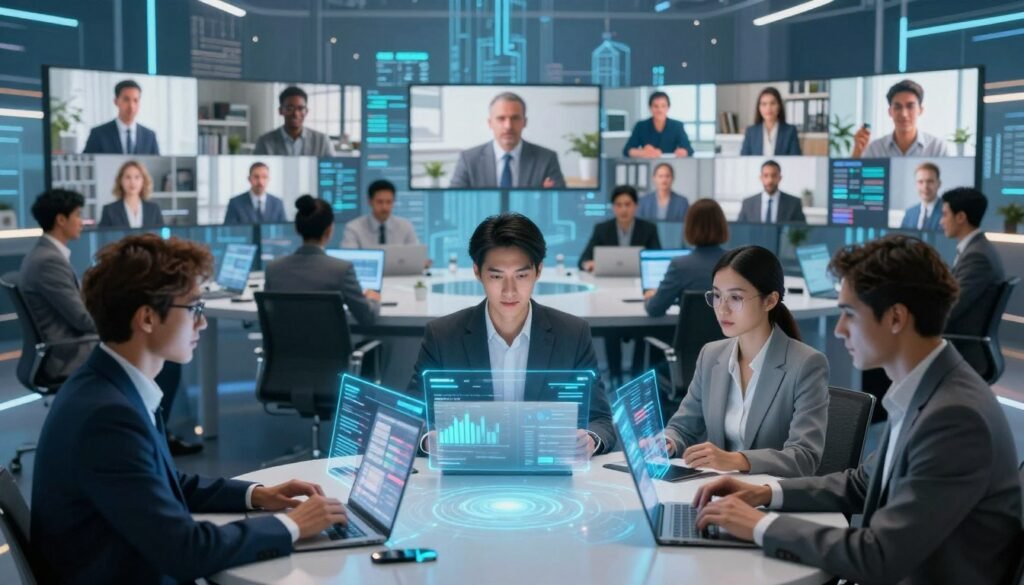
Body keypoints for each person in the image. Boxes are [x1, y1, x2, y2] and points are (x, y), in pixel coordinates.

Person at [691, 235, 1021, 585]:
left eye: (849, 313)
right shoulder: (927, 388)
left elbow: (879, 556)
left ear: (896, 317)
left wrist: (761, 525)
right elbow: (862, 484)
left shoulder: (953, 417)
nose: (839, 329)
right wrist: (765, 493)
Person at [30, 234, 350, 583]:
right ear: (147, 318)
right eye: (194, 309)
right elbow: (186, 551)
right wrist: (292, 524)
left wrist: (258, 495)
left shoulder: (109, 386)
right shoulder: (107, 416)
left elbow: (163, 483)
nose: (203, 323)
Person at [407, 213, 615, 456]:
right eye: (496, 276)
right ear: (477, 272)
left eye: (521, 275)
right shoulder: (442, 336)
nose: (509, 291)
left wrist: (589, 440)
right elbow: (411, 416)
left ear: (538, 271)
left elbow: (600, 420)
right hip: (468, 468)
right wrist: (427, 441)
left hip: (546, 467)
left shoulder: (572, 334)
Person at [655, 246, 828, 477]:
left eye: (735, 298)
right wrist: (668, 441)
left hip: (770, 493)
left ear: (770, 301)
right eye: (717, 296)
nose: (722, 309)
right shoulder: (711, 355)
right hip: (716, 489)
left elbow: (804, 457)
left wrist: (735, 460)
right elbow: (683, 427)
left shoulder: (806, 364)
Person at [264, 195, 380, 325]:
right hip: (328, 339)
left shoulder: (273, 269)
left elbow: (269, 316)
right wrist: (373, 300)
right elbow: (367, 317)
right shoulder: (341, 270)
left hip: (284, 339)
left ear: (297, 229)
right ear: (329, 230)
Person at [20, 189, 96, 380]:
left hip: (64, 346)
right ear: (61, 220)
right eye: (77, 215)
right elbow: (83, 321)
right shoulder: (49, 262)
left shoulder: (43, 253)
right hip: (67, 355)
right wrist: (122, 326)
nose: (81, 222)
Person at [940, 187, 1006, 374]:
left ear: (961, 217)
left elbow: (952, 308)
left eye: (945, 215)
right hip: (962, 345)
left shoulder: (977, 257)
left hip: (964, 350)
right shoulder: (977, 249)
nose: (941, 221)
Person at [449, 92, 564, 189]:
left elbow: (559, 200)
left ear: (524, 122)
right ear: (490, 123)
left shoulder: (546, 159)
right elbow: (454, 200)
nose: (508, 126)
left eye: (515, 118)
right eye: (501, 118)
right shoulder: (468, 160)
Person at [644, 199, 729, 317]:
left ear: (690, 227)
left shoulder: (680, 266)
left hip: (693, 329)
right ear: (722, 226)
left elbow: (654, 309)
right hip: (729, 329)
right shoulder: (735, 262)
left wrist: (650, 297)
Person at [852, 79, 949, 158]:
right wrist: (857, 151)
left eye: (910, 106)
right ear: (890, 111)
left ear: (920, 110)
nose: (904, 114)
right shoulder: (875, 149)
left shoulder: (937, 148)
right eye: (897, 107)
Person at [578, 185, 662, 272]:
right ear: (613, 207)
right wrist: (588, 264)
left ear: (636, 206)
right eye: (619, 205)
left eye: (627, 204)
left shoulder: (649, 229)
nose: (623, 210)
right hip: (608, 278)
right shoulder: (601, 229)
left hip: (638, 278)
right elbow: (583, 260)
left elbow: (658, 259)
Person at [253, 86, 336, 157]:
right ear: (280, 111)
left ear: (306, 111)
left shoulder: (322, 141)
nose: (295, 114)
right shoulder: (264, 142)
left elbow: (332, 169)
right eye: (290, 108)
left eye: (300, 108)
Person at [83, 79, 160, 155]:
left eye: (135, 100)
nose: (131, 106)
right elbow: (87, 161)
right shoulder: (98, 134)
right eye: (126, 100)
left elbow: (157, 162)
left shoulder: (149, 136)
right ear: (116, 101)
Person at [341, 178, 420, 248]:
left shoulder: (405, 226)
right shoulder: (354, 228)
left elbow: (415, 254)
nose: (384, 207)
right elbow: (349, 257)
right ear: (370, 202)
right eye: (380, 202)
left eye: (389, 202)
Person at [623, 91, 693, 158]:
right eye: (655, 106)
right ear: (650, 108)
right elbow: (627, 150)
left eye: (663, 106)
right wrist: (643, 152)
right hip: (649, 163)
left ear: (668, 107)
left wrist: (683, 152)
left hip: (671, 164)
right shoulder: (641, 126)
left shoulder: (677, 126)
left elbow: (689, 149)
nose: (659, 110)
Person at [98, 160, 165, 228]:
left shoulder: (154, 209)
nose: (132, 182)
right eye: (128, 177)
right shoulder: (109, 210)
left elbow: (161, 233)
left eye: (137, 177)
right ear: (120, 181)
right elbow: (103, 234)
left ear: (143, 181)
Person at [736, 160, 806, 224]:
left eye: (774, 176)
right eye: (766, 176)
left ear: (780, 178)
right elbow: (740, 229)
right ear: (761, 178)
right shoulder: (748, 204)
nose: (770, 180)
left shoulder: (794, 204)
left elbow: (801, 231)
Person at [740, 87, 802, 156]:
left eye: (772, 103)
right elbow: (744, 159)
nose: (768, 108)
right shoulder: (751, 132)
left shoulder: (790, 131)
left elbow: (795, 159)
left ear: (779, 106)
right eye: (764, 104)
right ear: (759, 108)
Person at [899, 162, 943, 231]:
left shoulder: (948, 212)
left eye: (930, 181)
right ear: (915, 185)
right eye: (920, 182)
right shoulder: (909, 213)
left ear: (939, 184)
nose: (925, 186)